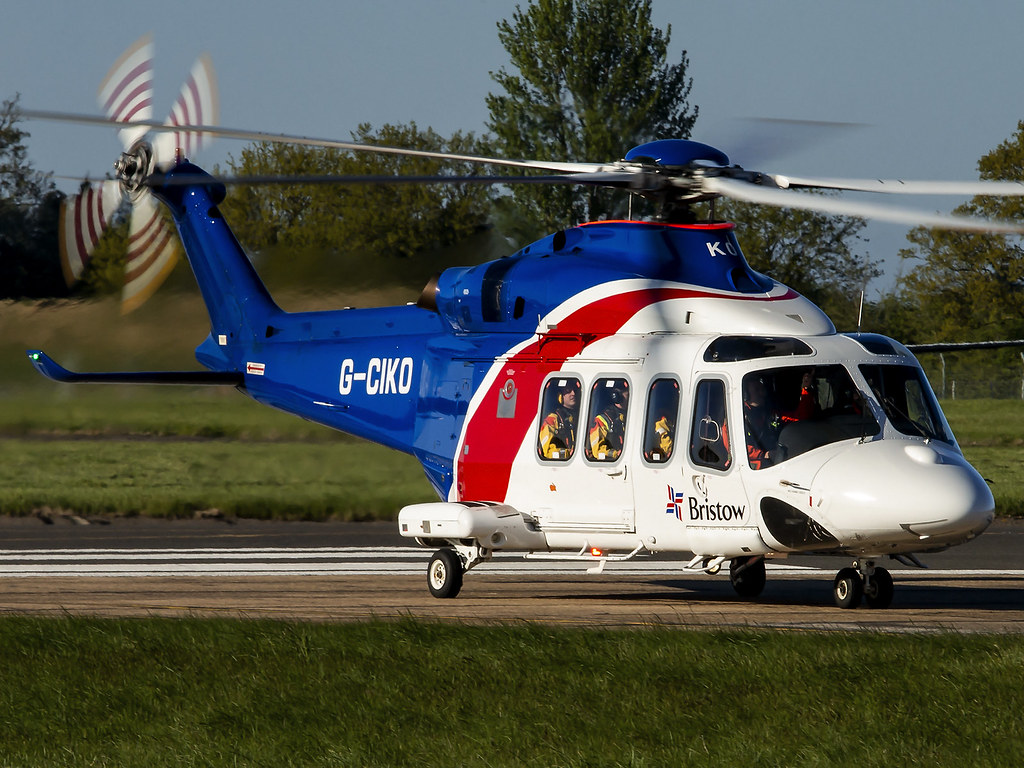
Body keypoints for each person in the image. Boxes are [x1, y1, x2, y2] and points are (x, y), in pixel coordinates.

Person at [743, 370, 815, 470]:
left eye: (762, 389)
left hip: (776, 460)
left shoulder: (769, 413)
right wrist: (764, 454)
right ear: (746, 395)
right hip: (751, 467)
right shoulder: (739, 417)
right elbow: (734, 447)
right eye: (757, 390)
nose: (762, 393)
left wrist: (806, 389)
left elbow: (799, 418)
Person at [538, 382, 579, 459]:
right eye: (568, 390)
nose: (573, 393)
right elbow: (549, 452)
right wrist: (570, 454)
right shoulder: (551, 420)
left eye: (575, 390)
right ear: (560, 396)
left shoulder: (579, 418)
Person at [588, 383, 628, 461]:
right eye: (627, 393)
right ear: (617, 396)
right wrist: (615, 454)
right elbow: (597, 451)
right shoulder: (602, 420)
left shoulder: (632, 416)